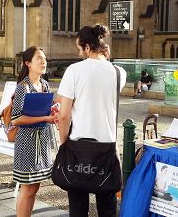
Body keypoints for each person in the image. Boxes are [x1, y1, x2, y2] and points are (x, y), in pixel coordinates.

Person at [57, 24, 126, 216]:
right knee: (107, 209)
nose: (79, 53)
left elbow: (64, 115)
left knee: (78, 208)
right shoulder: (119, 73)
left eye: (80, 48)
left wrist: (64, 145)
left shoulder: (74, 70)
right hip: (108, 147)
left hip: (79, 147)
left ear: (87, 47)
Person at [10, 46, 56, 217]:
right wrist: (45, 119)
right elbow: (16, 119)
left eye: (44, 58)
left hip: (42, 141)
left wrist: (54, 111)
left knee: (35, 187)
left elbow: (48, 110)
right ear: (27, 63)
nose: (43, 62)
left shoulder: (44, 84)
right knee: (27, 187)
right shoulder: (24, 87)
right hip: (27, 142)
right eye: (39, 58)